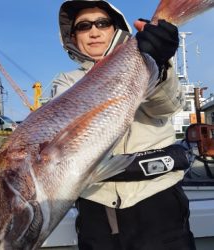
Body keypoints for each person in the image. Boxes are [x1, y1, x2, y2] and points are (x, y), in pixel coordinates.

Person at [51, 1, 196, 249]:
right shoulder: (66, 81)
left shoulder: (148, 61)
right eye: (84, 26)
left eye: (102, 23)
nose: (94, 31)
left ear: (116, 28)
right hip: (95, 205)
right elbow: (69, 134)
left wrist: (157, 63)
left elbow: (167, 107)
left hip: (156, 198)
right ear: (73, 38)